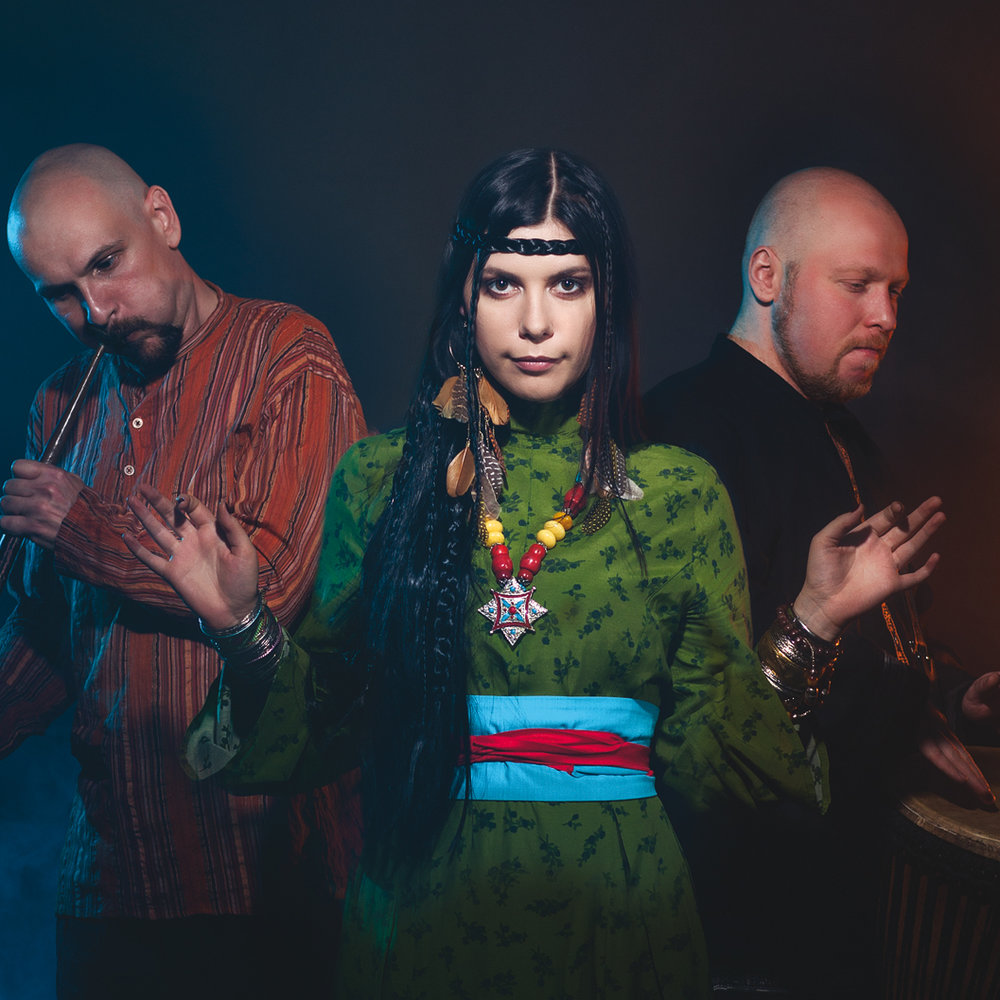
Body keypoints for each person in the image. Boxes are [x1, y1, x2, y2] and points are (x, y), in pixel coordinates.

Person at [126, 149, 942, 999]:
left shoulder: (678, 494)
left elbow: (713, 760)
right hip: (425, 907)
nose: (536, 323)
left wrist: (814, 618)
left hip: (620, 909)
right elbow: (331, 721)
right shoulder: (381, 478)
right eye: (503, 284)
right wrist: (241, 624)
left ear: (606, 300)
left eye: (568, 285)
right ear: (464, 295)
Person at [0, 144, 366, 999]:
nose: (95, 310)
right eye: (59, 293)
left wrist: (79, 527)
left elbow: (275, 585)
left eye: (106, 264)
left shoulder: (288, 351)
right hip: (107, 881)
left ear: (161, 219)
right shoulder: (56, 404)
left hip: (258, 876)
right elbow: (55, 638)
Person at [643, 167, 999, 996]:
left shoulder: (843, 433)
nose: (887, 316)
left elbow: (883, 644)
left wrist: (952, 699)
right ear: (768, 276)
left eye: (895, 291)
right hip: (741, 933)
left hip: (846, 912)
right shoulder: (680, 436)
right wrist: (832, 635)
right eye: (857, 284)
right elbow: (698, 726)